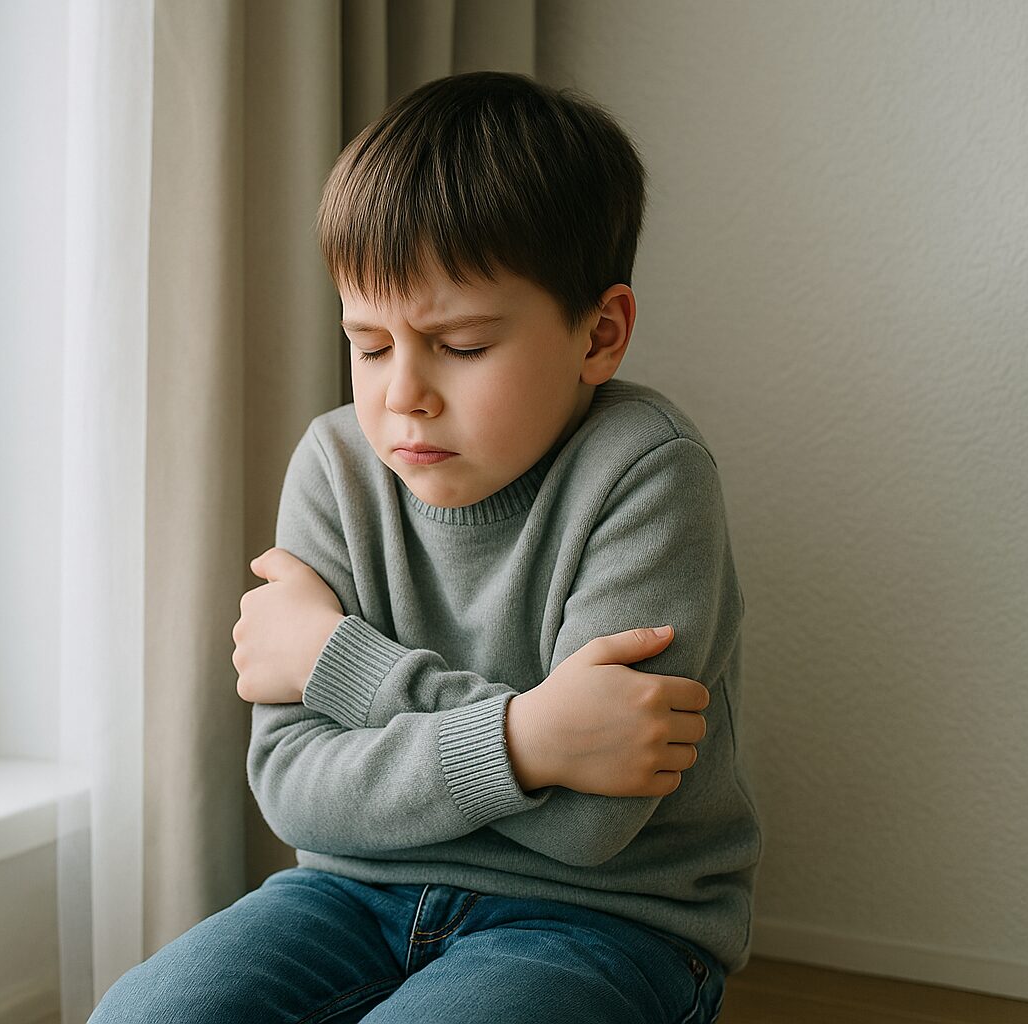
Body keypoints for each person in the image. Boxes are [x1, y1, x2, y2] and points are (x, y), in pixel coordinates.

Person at [90, 70, 760, 1023]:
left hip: (605, 920)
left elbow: (591, 824)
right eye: (368, 346)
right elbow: (292, 789)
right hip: (350, 892)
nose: (402, 393)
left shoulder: (649, 474)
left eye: (463, 345)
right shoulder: (334, 465)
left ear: (600, 335)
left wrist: (336, 661)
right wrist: (531, 740)